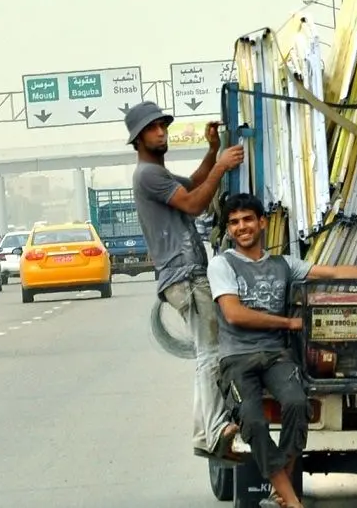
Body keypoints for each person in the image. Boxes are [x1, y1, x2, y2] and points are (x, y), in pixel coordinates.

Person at [207, 192, 357, 508]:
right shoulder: (222, 264)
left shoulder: (282, 264)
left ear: (262, 223)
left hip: (276, 356)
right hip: (236, 358)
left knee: (297, 404)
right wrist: (288, 323)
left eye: (247, 219)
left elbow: (334, 273)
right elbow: (234, 314)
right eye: (234, 222)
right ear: (228, 229)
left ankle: (281, 488)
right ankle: (291, 499)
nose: (241, 227)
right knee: (253, 420)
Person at [126, 100, 246, 462]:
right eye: (153, 128)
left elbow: (193, 185)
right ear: (138, 139)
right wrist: (221, 166)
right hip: (184, 275)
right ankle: (214, 431)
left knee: (209, 352)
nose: (161, 132)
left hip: (185, 274)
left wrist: (212, 152)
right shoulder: (147, 175)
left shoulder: (157, 174)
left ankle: (205, 433)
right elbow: (194, 204)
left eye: (163, 125)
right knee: (211, 353)